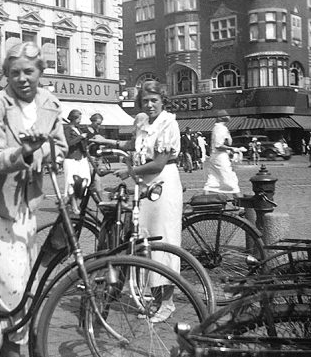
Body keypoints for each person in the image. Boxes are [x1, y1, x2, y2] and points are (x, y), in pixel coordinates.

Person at [0, 41, 67, 357]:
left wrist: (48, 155)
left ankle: (13, 346)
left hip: (26, 208)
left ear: (41, 71)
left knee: (25, 290)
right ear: (5, 76)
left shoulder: (50, 104)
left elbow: (60, 148)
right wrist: (24, 152)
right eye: (15, 73)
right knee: (11, 295)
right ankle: (8, 350)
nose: (23, 78)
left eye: (29, 71)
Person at [91, 80, 182, 323]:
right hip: (145, 186)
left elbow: (158, 162)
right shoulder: (144, 123)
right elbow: (134, 146)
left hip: (163, 184)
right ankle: (153, 296)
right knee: (144, 240)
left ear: (163, 101)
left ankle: (168, 302)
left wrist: (130, 172)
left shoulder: (168, 124)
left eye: (154, 100)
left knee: (162, 239)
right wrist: (107, 143)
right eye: (145, 101)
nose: (150, 105)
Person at [203, 109, 241, 196]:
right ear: (221, 118)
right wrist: (231, 149)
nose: (229, 117)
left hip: (216, 156)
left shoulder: (219, 128)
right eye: (227, 115)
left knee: (212, 180)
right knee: (229, 179)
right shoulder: (220, 128)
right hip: (221, 157)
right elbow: (218, 145)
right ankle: (239, 201)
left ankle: (205, 200)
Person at [63, 109, 91, 197]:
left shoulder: (78, 129)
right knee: (71, 182)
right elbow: (68, 143)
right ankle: (72, 204)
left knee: (85, 179)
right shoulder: (67, 129)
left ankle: (81, 203)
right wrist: (80, 137)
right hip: (71, 158)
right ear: (74, 118)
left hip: (81, 157)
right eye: (79, 119)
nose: (80, 121)